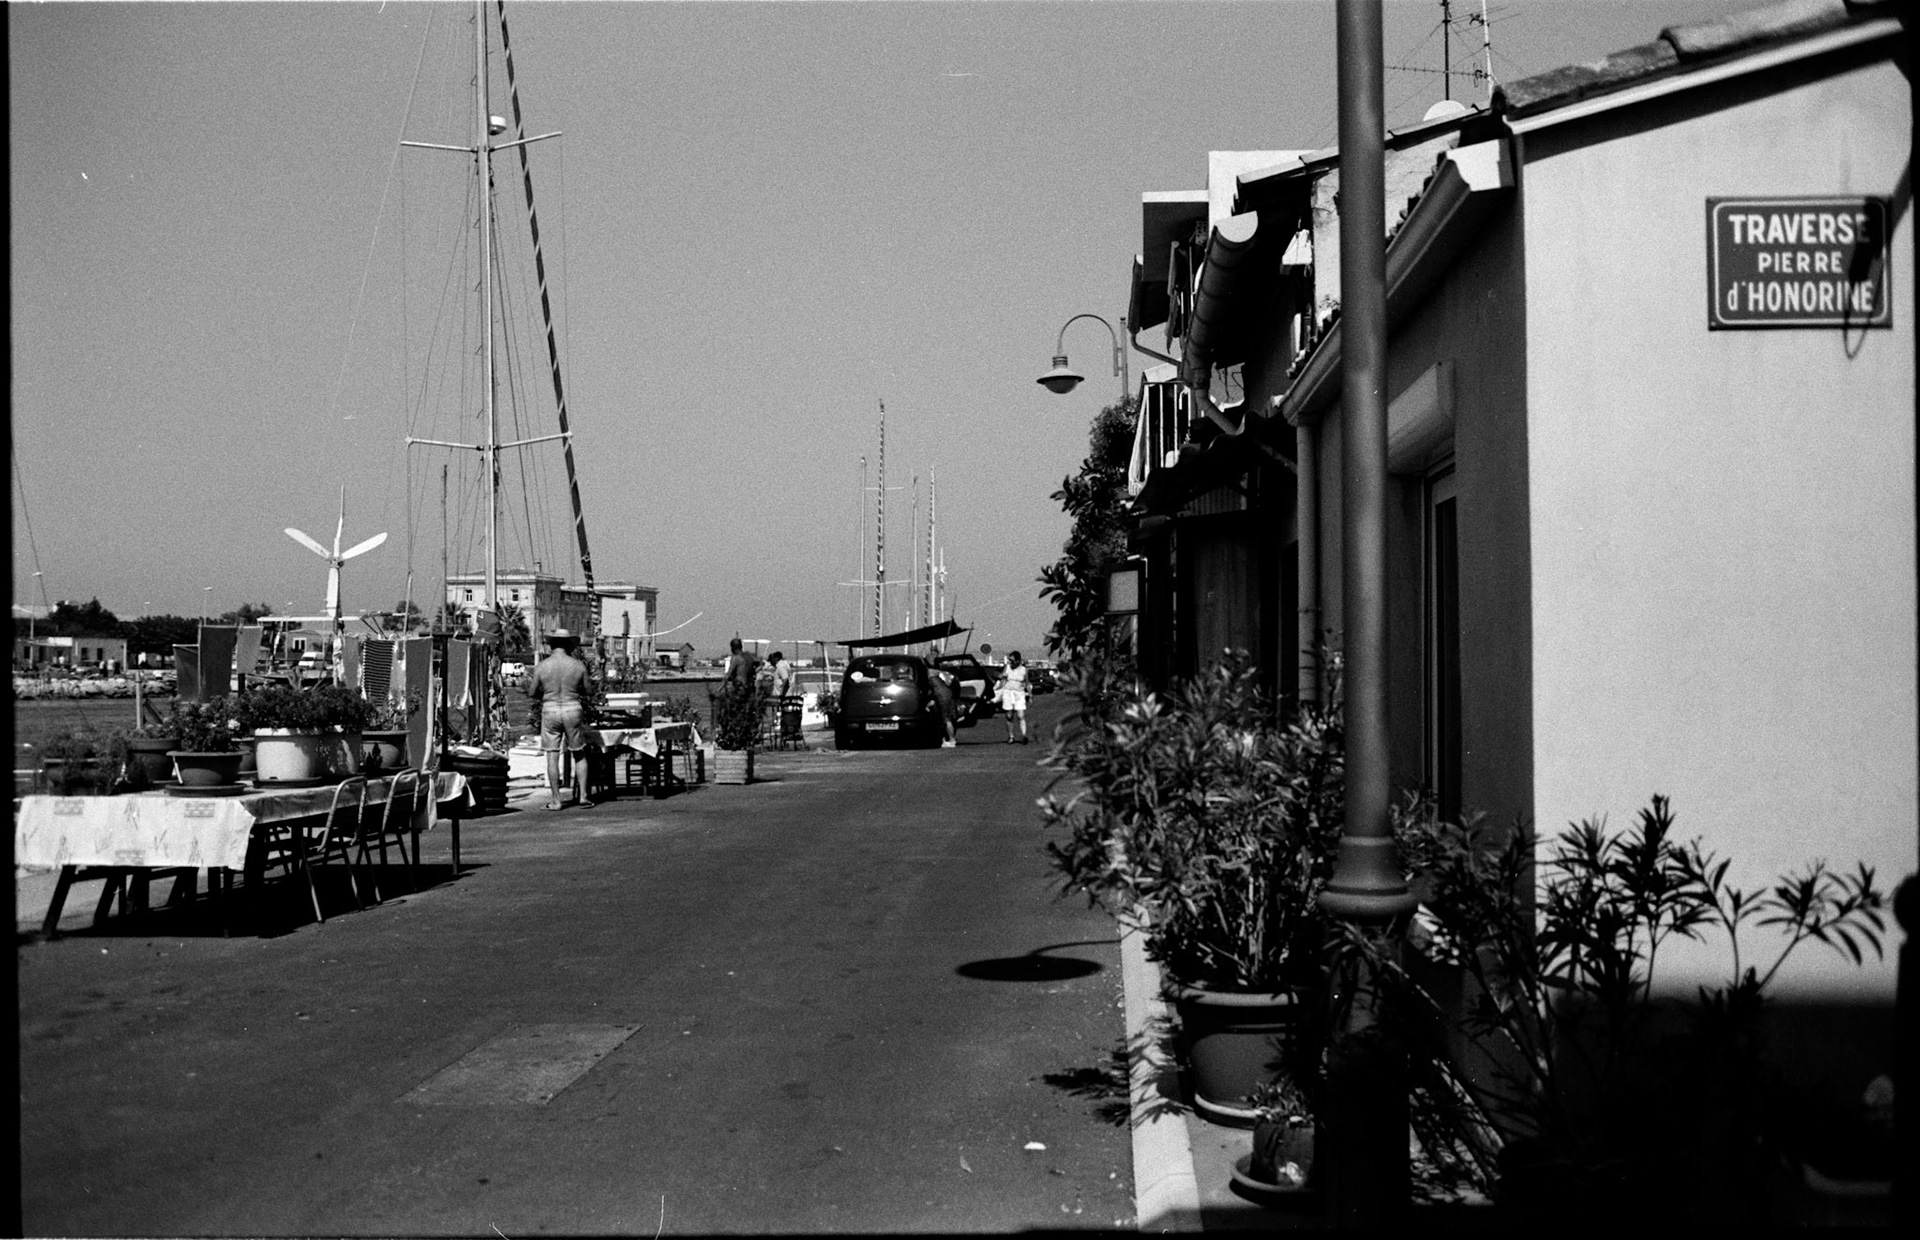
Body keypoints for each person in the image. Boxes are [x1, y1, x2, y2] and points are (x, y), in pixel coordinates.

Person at [526, 627, 594, 810]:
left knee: (552, 755)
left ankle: (556, 801)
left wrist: (546, 691)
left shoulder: (542, 666)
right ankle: (583, 796)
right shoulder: (578, 665)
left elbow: (531, 692)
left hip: (550, 709)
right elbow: (589, 690)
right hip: (572, 707)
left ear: (551, 645)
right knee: (579, 753)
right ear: (570, 645)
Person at [996, 650, 1031, 744]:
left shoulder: (1024, 670)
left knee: (1021, 715)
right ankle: (1011, 736)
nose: (1010, 662)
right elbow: (1001, 679)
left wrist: (1030, 695)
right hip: (1008, 693)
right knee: (1009, 715)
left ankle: (1024, 735)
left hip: (1019, 693)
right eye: (1009, 660)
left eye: (1012, 660)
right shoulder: (1007, 668)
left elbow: (1027, 683)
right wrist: (1000, 678)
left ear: (1018, 661)